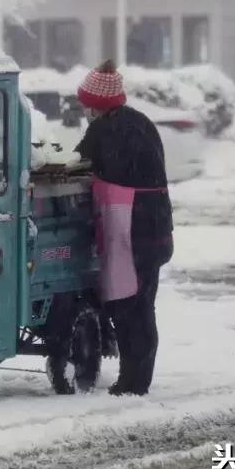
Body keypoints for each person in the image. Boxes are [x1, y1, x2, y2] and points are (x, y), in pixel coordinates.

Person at [73, 59, 173, 396]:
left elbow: (79, 165)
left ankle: (133, 383)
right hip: (156, 227)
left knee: (129, 307)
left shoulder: (104, 130)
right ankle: (137, 377)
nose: (85, 108)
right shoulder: (142, 123)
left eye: (87, 102)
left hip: (133, 228)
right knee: (143, 304)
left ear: (98, 103)